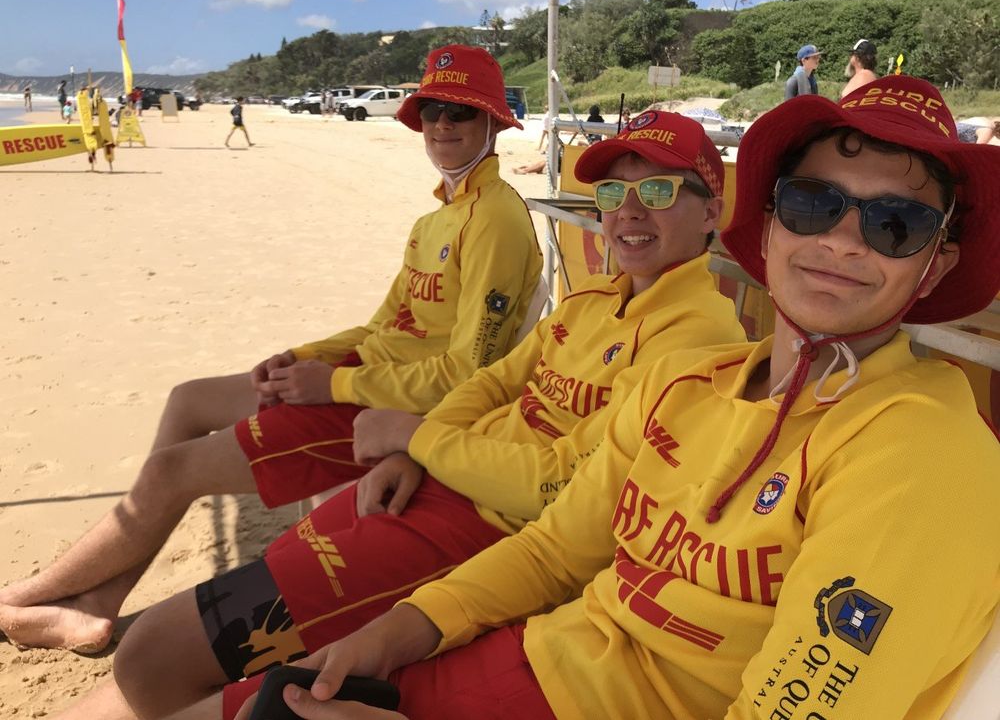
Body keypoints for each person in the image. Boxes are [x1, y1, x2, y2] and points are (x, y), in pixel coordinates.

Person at [192, 75, 996, 720]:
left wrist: (414, 437)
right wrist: (399, 632)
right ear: (772, 222)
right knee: (254, 704)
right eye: (815, 204)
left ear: (934, 264)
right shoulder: (688, 386)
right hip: (539, 653)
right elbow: (557, 548)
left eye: (896, 225)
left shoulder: (921, 450)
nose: (843, 240)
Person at [45, 111, 749, 720]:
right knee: (162, 652)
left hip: (488, 532)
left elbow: (561, 487)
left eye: (657, 190)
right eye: (613, 191)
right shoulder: (593, 296)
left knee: (153, 659)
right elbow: (495, 382)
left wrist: (414, 433)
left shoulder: (699, 339)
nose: (628, 211)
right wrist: (414, 450)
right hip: (427, 480)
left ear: (711, 210)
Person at [0, 45, 543, 656]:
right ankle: (99, 600)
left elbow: (467, 373)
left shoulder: (497, 218)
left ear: (494, 123)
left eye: (459, 113)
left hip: (396, 410)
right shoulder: (435, 220)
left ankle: (24, 599)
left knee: (169, 469)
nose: (442, 125)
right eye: (431, 111)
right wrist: (300, 355)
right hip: (367, 375)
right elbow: (383, 325)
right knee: (188, 401)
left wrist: (330, 386)